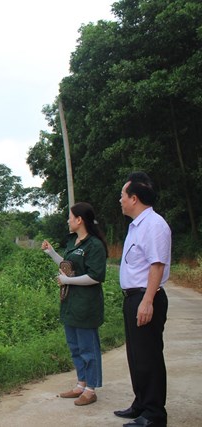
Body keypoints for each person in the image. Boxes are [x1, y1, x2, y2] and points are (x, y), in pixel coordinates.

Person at [114, 172, 171, 427]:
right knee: (136, 356)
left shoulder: (154, 225)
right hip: (133, 297)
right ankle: (141, 403)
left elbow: (156, 266)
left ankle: (154, 414)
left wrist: (147, 301)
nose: (120, 200)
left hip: (146, 297)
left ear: (134, 198)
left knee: (149, 356)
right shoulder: (136, 226)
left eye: (123, 196)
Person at [42, 202, 108, 406]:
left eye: (70, 217)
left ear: (79, 220)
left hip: (86, 305)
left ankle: (91, 389)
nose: (68, 221)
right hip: (71, 303)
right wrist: (52, 253)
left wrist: (68, 281)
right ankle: (81, 384)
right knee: (75, 346)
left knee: (88, 347)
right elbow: (68, 267)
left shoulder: (94, 245)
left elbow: (96, 276)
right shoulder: (74, 242)